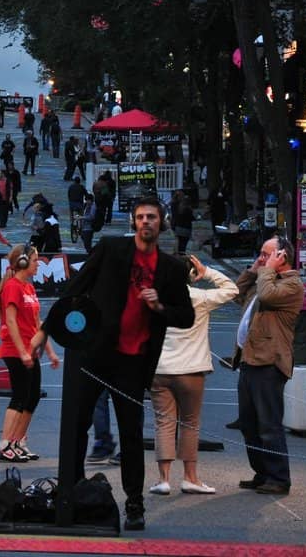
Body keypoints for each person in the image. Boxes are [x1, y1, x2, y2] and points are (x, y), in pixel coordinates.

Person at [56, 197, 195, 531]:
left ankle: (134, 504)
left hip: (132, 362)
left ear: (162, 223)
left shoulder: (172, 268)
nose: (145, 222)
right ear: (133, 222)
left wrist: (160, 306)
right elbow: (77, 287)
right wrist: (54, 326)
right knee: (78, 426)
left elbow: (186, 316)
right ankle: (73, 492)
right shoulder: (111, 249)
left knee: (131, 435)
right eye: (140, 217)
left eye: (152, 217)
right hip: (95, 355)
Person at [150, 254, 237, 496]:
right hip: (192, 369)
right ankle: (190, 477)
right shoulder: (200, 297)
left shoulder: (156, 299)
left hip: (160, 368)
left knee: (163, 423)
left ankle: (163, 479)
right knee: (190, 423)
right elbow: (232, 289)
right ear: (190, 274)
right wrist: (206, 271)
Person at [233, 235, 304, 496]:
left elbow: (267, 295)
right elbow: (236, 294)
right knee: (249, 424)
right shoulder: (263, 277)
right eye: (261, 254)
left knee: (268, 423)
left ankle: (278, 477)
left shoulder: (292, 284)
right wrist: (252, 271)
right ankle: (262, 472)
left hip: (269, 362)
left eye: (267, 254)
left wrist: (265, 271)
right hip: (249, 359)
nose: (262, 259)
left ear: (282, 257)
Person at [0, 244, 60, 462]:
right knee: (20, 396)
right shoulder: (12, 287)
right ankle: (5, 444)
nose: (38, 264)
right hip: (15, 350)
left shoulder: (29, 288)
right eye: (34, 260)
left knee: (32, 398)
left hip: (30, 350)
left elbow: (37, 324)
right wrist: (22, 351)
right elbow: (10, 320)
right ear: (22, 262)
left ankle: (18, 440)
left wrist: (49, 351)